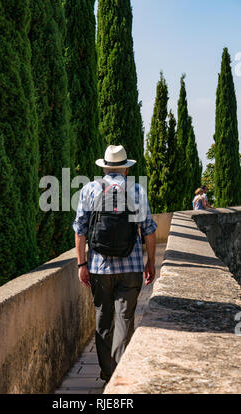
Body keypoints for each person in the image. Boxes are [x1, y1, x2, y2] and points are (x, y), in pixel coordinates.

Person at [73, 144, 157, 384]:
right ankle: (121, 374)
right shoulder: (137, 191)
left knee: (103, 318)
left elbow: (79, 230)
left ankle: (108, 371)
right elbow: (149, 231)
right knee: (125, 318)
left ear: (105, 168)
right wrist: (150, 263)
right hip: (130, 267)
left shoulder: (90, 190)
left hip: (99, 267)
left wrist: (82, 264)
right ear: (126, 170)